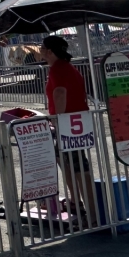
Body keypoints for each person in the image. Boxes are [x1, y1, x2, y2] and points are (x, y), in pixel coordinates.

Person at [39, 35, 95, 224]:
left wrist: (58, 119)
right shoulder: (65, 67)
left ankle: (92, 212)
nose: (39, 51)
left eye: (42, 47)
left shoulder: (58, 69)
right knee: (67, 160)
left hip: (69, 123)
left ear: (49, 51)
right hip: (75, 121)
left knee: (78, 165)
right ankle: (75, 200)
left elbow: (60, 93)